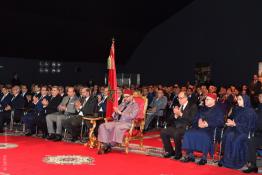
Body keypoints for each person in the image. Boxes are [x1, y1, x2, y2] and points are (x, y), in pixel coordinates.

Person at [181, 93, 224, 165]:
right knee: (188, 133)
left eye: (207, 99)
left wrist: (208, 123)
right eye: (205, 99)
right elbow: (195, 118)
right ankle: (190, 155)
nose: (205, 101)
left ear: (213, 100)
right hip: (198, 126)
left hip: (211, 129)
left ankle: (204, 158)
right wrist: (199, 120)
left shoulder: (218, 110)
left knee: (203, 135)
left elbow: (220, 122)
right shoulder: (202, 108)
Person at [218, 95, 257, 169]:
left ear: (245, 101)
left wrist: (235, 124)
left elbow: (249, 126)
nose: (238, 101)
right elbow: (234, 120)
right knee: (228, 136)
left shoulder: (250, 112)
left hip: (245, 132)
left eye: (240, 99)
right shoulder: (238, 109)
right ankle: (227, 160)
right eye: (237, 99)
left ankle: (236, 162)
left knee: (236, 140)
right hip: (236, 129)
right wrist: (231, 121)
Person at [97, 89, 139, 154]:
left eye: (127, 97)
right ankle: (106, 143)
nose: (125, 98)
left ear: (131, 96)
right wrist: (115, 112)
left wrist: (121, 113)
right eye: (124, 97)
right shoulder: (122, 104)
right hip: (117, 121)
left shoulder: (135, 105)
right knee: (102, 126)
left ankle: (109, 145)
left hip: (127, 123)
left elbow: (132, 116)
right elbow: (113, 115)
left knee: (117, 127)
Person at [160, 91, 198, 160]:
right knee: (163, 131)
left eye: (181, 98)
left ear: (186, 98)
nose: (179, 100)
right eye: (178, 98)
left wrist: (181, 114)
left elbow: (192, 119)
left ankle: (178, 153)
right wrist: (175, 115)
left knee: (176, 133)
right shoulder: (178, 105)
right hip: (176, 126)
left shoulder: (192, 106)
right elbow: (169, 120)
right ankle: (170, 151)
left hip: (186, 127)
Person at [243, 92, 262, 173]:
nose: (260, 97)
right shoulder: (258, 107)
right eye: (260, 96)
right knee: (250, 141)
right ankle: (253, 166)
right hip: (259, 134)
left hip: (259, 132)